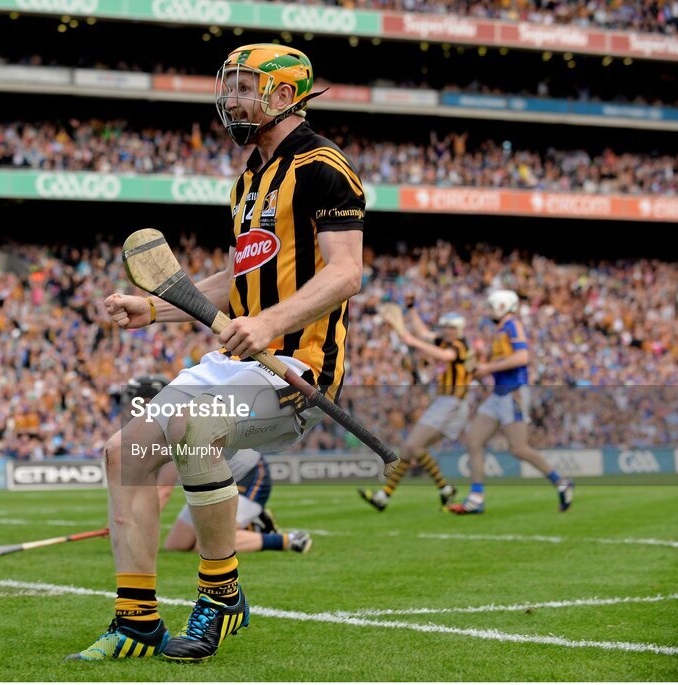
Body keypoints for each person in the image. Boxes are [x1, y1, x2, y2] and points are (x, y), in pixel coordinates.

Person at [69, 43, 367, 662]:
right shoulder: (248, 178)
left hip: (298, 368)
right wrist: (151, 307)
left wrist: (268, 325)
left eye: (243, 88)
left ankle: (222, 594)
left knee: (194, 431)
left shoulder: (323, 169)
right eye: (227, 87)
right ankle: (137, 621)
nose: (228, 100)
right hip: (233, 361)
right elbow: (240, 279)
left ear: (284, 96)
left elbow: (345, 274)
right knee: (124, 455)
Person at [125, 375, 313, 553]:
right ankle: (248, 523)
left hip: (249, 477)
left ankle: (286, 539)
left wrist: (128, 522)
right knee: (177, 545)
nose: (129, 408)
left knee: (206, 545)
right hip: (212, 482)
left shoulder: (175, 425)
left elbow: (163, 491)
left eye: (135, 400)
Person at [447, 289, 574, 514]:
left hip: (513, 393)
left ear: (503, 305)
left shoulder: (512, 325)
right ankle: (476, 498)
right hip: (498, 394)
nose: (489, 310)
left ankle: (561, 483)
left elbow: (523, 357)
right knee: (474, 441)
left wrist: (488, 368)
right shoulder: (501, 329)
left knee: (519, 449)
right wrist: (483, 367)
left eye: (492, 305)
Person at [358, 307, 464, 511]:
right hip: (445, 402)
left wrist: (414, 342)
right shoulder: (443, 340)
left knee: (413, 446)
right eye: (446, 328)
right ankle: (385, 496)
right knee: (409, 448)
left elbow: (445, 356)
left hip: (452, 403)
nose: (447, 331)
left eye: (451, 328)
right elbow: (424, 332)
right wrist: (412, 310)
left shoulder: (461, 346)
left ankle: (445, 488)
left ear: (459, 329)